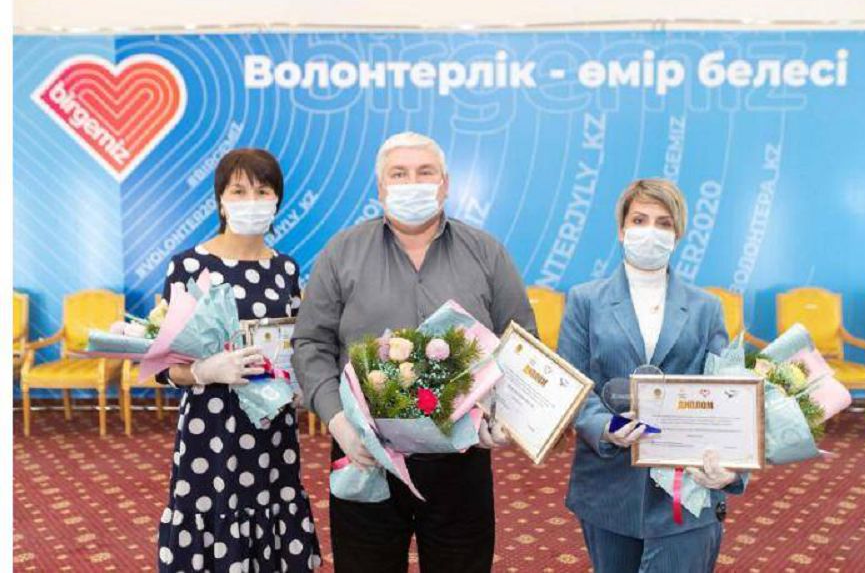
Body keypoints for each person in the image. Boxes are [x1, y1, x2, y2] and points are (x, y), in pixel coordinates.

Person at [292, 131, 537, 572]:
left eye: (425, 173)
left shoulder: (486, 253)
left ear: (445, 184)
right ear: (380, 187)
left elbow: (521, 344)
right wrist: (339, 422)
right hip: (365, 455)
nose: (412, 184)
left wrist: (500, 415)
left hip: (460, 459)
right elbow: (311, 343)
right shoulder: (341, 253)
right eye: (399, 174)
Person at [558, 178, 747, 572]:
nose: (650, 231)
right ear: (621, 229)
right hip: (609, 484)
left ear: (677, 234)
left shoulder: (707, 307)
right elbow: (571, 385)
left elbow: (728, 396)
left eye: (663, 223)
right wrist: (606, 426)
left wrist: (731, 469)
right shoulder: (584, 300)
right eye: (639, 219)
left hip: (686, 484)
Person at [156, 148, 321, 571]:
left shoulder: (286, 269)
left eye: (263, 191)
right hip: (209, 428)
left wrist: (299, 383)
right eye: (239, 190)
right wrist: (202, 371)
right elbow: (162, 366)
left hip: (271, 426)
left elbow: (297, 342)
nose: (252, 200)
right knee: (211, 516)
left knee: (270, 509)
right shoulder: (188, 266)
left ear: (277, 201)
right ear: (220, 200)